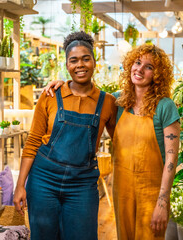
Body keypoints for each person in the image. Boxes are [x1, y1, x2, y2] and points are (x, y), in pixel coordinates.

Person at [44, 44, 180, 240]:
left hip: (151, 192)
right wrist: (63, 85)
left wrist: (162, 202)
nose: (140, 69)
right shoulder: (117, 102)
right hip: (122, 189)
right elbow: (85, 94)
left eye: (148, 67)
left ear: (158, 75)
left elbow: (171, 159)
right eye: (137, 62)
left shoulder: (164, 106)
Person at [13, 31, 117, 240]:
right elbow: (33, 141)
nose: (80, 65)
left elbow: (119, 142)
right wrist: (20, 185)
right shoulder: (51, 95)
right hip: (44, 180)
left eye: (86, 58)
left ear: (94, 61)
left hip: (82, 184)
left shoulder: (107, 102)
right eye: (74, 60)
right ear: (67, 64)